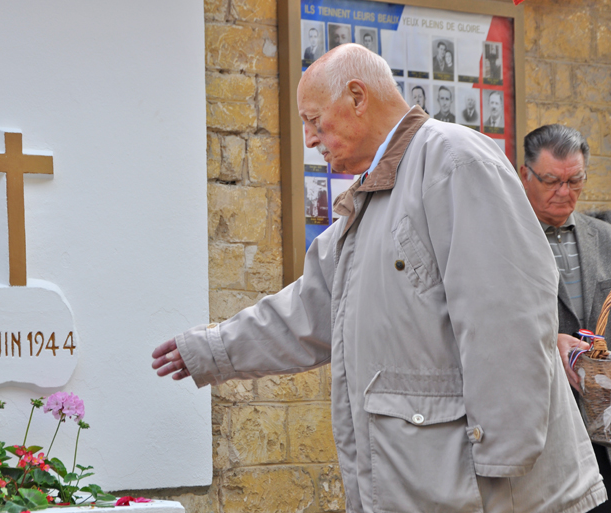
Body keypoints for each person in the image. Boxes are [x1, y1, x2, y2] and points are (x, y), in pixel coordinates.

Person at [152, 43, 605, 512]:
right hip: (436, 490)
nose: (309, 138)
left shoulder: (455, 160)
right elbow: (307, 309)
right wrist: (211, 351)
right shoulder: (371, 199)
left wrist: (503, 465)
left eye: (313, 120)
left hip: (498, 497)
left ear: (357, 96)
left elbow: (507, 316)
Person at [519, 124, 611, 513]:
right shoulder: (508, 236)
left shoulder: (604, 236)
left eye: (575, 180)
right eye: (552, 180)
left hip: (602, 417)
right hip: (540, 419)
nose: (564, 192)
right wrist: (546, 339)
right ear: (526, 174)